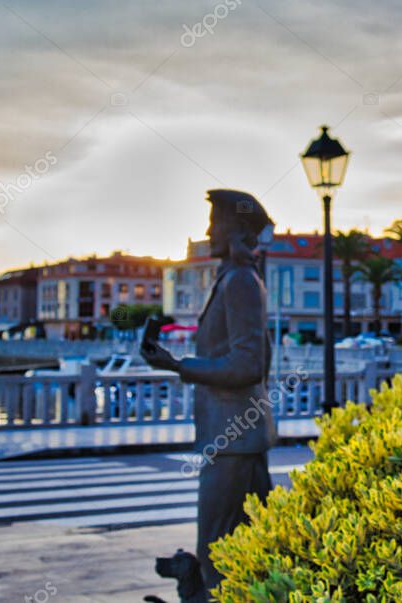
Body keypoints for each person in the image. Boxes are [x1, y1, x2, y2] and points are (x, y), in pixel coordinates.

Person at [142, 189, 276, 591]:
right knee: (248, 550)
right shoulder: (235, 279)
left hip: (233, 438)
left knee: (218, 550)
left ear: (236, 228)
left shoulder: (240, 282)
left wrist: (178, 365)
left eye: (215, 222)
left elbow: (248, 365)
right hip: (236, 436)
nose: (208, 231)